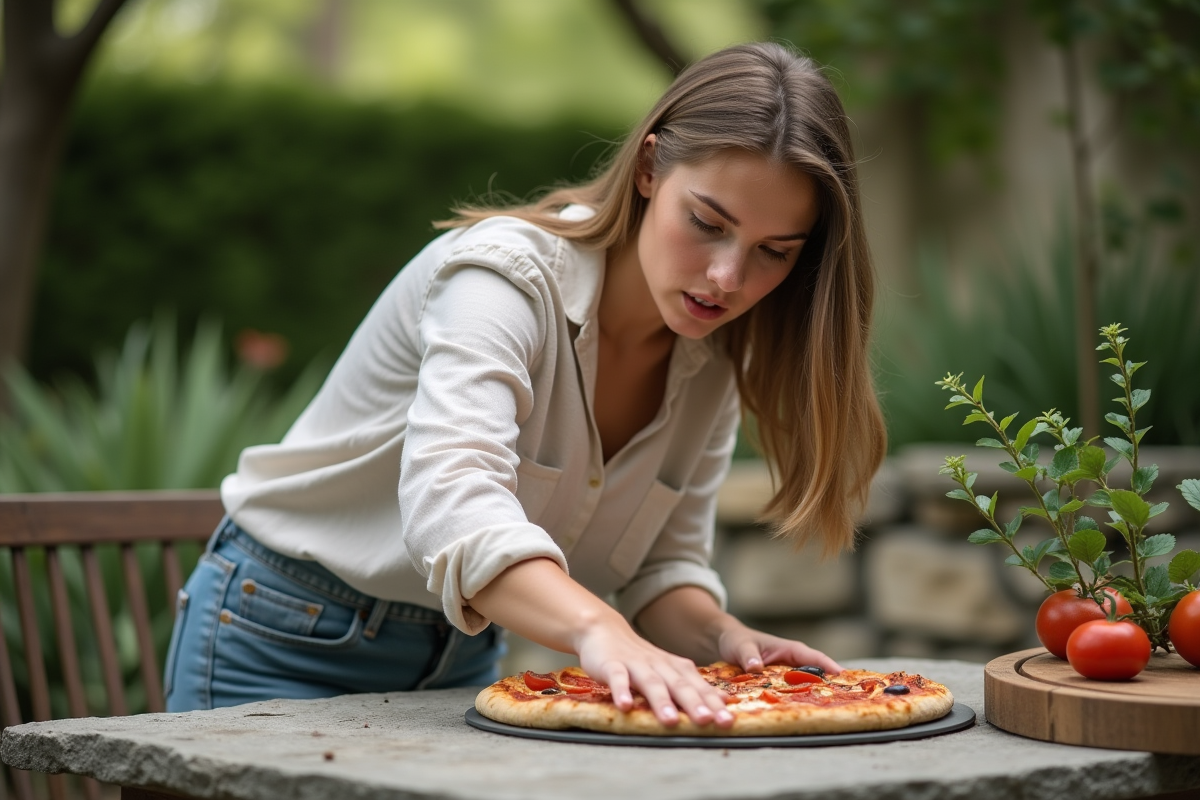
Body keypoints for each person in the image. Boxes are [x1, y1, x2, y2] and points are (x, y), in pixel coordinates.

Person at [163, 41, 886, 731]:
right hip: (281, 634)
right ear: (648, 168)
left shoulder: (714, 360)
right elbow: (455, 502)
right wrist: (598, 627)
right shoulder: (502, 279)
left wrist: (727, 638)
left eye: (773, 252)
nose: (727, 278)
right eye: (706, 222)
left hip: (461, 658)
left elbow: (664, 566)